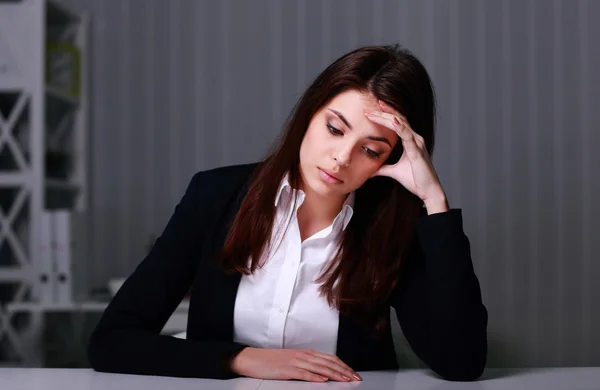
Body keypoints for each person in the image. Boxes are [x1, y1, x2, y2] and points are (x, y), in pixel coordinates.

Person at [87, 44, 488, 383]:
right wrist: (240, 358)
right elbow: (112, 341)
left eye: (371, 150)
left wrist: (434, 200)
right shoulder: (214, 197)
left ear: (391, 159)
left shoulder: (391, 231)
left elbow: (462, 364)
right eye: (335, 128)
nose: (341, 157)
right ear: (310, 114)